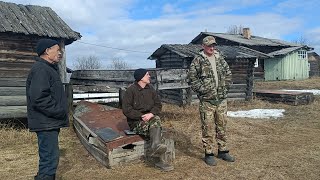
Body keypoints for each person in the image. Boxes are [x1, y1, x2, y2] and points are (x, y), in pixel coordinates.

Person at [187, 36, 235, 166]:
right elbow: (192, 78)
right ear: (203, 46)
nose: (212, 48)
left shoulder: (220, 58)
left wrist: (225, 88)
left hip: (221, 100)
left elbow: (228, 74)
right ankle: (208, 153)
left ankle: (223, 151)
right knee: (207, 128)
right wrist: (203, 90)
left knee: (222, 126)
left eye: (213, 45)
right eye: (209, 46)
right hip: (207, 101)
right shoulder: (198, 60)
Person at [26, 39, 69, 180]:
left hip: (48, 121)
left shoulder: (48, 69)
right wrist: (59, 111)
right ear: (47, 51)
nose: (60, 52)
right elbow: (39, 98)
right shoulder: (41, 69)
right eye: (57, 49)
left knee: (49, 159)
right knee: (49, 160)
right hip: (46, 122)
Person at [122, 68, 173, 171]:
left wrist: (151, 114)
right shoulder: (130, 91)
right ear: (141, 78)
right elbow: (126, 110)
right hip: (136, 122)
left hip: (151, 118)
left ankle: (156, 148)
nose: (149, 76)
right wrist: (141, 116)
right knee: (156, 127)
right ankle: (160, 160)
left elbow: (158, 105)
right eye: (147, 75)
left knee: (156, 121)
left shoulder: (151, 89)